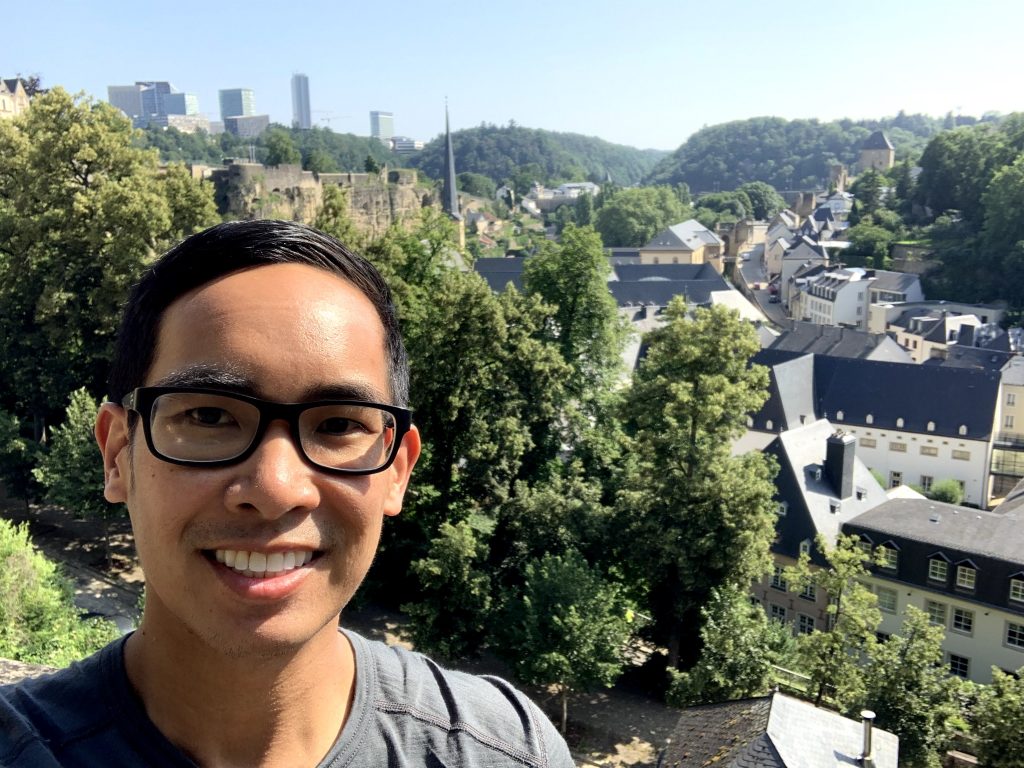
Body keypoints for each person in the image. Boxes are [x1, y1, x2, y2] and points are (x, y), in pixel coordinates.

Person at [0, 220, 574, 767]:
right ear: (118, 453)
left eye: (338, 426)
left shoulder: (499, 752)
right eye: (207, 415)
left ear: (397, 469)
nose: (275, 489)